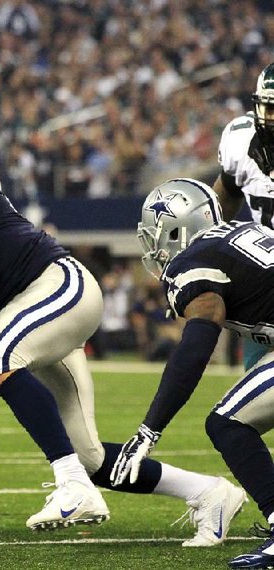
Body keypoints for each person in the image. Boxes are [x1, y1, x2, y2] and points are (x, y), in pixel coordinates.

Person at [0, 122, 246, 543]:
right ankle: (208, 492)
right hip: (29, 315)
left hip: (55, 285)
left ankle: (72, 485)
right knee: (90, 457)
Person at [108, 177, 274, 567]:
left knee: (228, 423)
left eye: (155, 234)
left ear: (177, 228)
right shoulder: (246, 228)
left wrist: (150, 429)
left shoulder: (191, 261)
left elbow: (198, 344)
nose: (153, 246)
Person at [212, 61, 274, 370]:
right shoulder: (241, 138)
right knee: (255, 398)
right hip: (265, 280)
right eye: (271, 109)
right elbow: (224, 197)